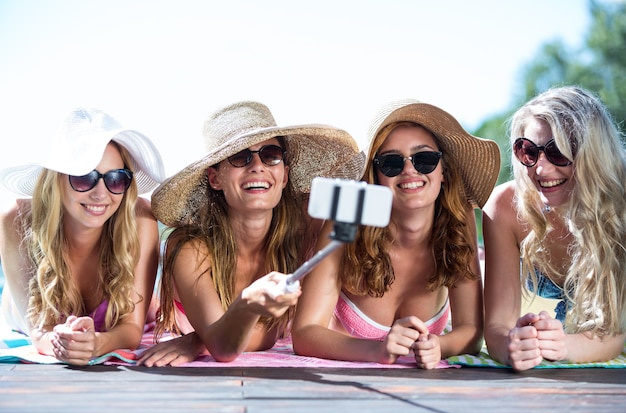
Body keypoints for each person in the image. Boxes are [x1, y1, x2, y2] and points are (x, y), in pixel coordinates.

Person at [137, 100, 363, 366]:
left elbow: (257, 337)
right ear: (215, 178)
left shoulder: (305, 227)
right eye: (240, 156)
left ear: (285, 174)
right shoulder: (189, 248)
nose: (257, 166)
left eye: (270, 155)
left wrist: (200, 340)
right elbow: (227, 346)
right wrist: (219, 330)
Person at [291, 99, 501, 369]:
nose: (409, 170)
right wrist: (378, 350)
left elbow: (471, 330)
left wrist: (440, 346)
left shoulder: (458, 223)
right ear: (376, 176)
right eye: (391, 162)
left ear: (444, 171)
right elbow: (305, 332)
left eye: (424, 159)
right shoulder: (346, 220)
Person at [0, 107, 166, 366]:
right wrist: (58, 343)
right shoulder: (16, 219)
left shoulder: (141, 218)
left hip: (127, 307)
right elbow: (38, 333)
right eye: (84, 176)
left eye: (115, 179)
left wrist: (98, 343)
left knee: (152, 310)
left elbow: (131, 331)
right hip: (19, 311)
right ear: (56, 179)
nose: (101, 194)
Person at [483, 86, 626, 371]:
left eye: (558, 152)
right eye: (529, 151)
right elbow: (497, 327)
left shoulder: (619, 204)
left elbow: (617, 332)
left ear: (593, 153)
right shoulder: (504, 207)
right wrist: (514, 345)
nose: (540, 169)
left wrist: (564, 346)